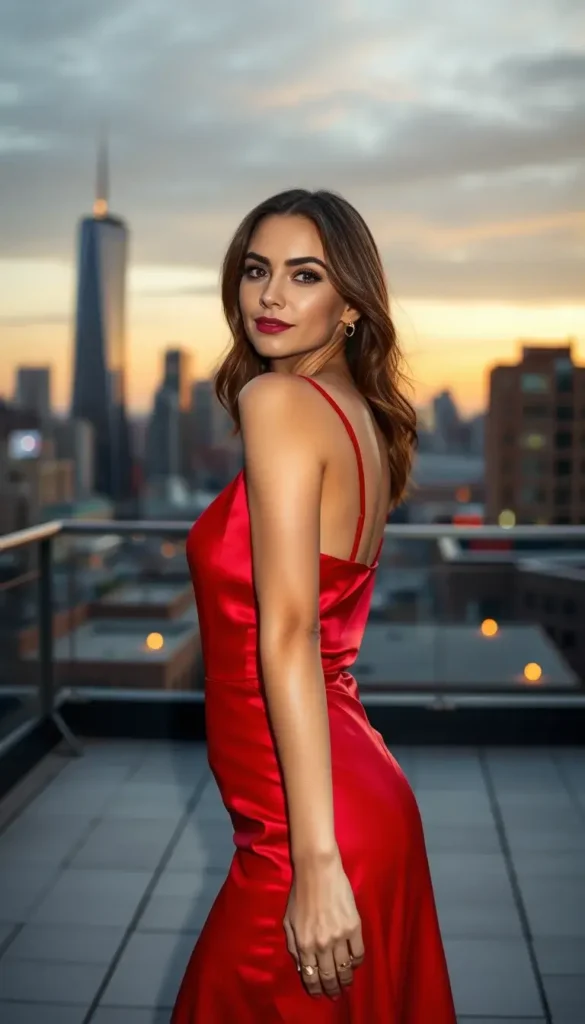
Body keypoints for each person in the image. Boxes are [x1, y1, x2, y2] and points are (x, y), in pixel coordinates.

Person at [172, 189, 456, 1022]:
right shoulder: (357, 417)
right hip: (346, 798)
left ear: (350, 307)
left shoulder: (278, 403)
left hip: (306, 831)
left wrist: (315, 860)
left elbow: (291, 634)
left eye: (303, 276)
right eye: (256, 270)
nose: (269, 295)